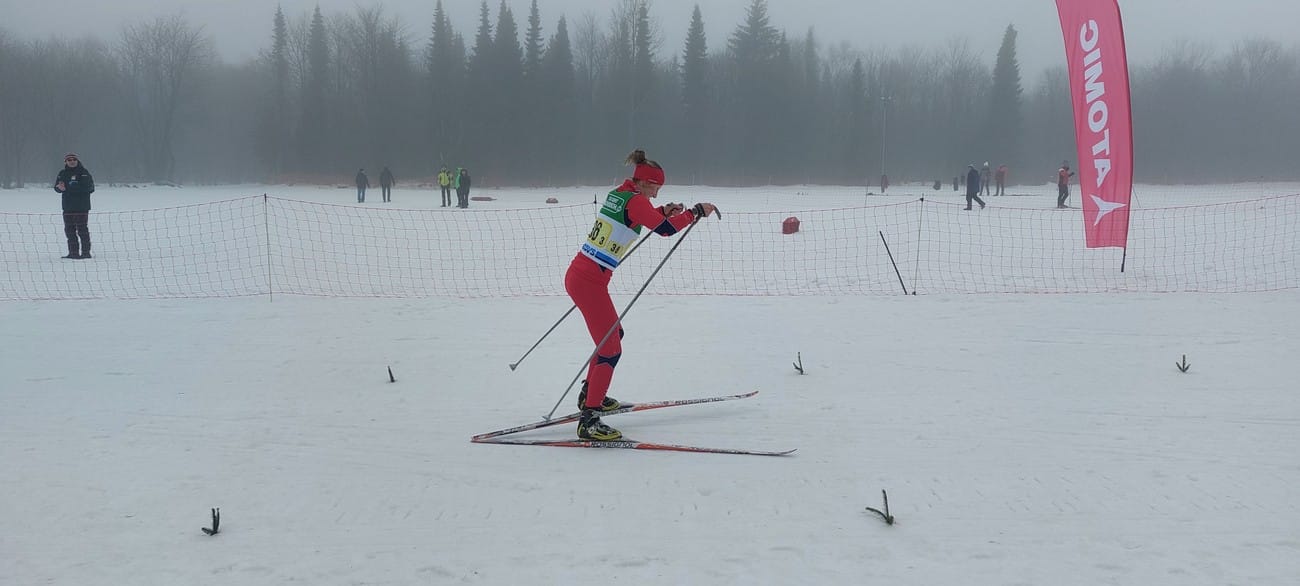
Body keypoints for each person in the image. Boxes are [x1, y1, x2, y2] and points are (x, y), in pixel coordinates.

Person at [566, 149, 718, 440]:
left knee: (613, 336)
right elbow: (664, 231)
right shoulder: (635, 201)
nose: (657, 195)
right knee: (610, 348)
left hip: (585, 276)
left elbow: (636, 218)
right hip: (588, 281)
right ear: (645, 182)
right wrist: (694, 213)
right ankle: (590, 419)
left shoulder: (622, 195)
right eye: (656, 188)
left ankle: (591, 393)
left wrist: (661, 212)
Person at [53, 153, 95, 259]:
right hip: (67, 207)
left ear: (77, 161)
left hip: (82, 207)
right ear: (65, 162)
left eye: (74, 159)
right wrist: (59, 188)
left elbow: (90, 188)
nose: (72, 161)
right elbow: (57, 187)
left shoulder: (84, 172)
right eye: (69, 160)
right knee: (69, 230)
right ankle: (73, 253)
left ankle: (86, 253)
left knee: (82, 230)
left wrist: (69, 188)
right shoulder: (62, 173)